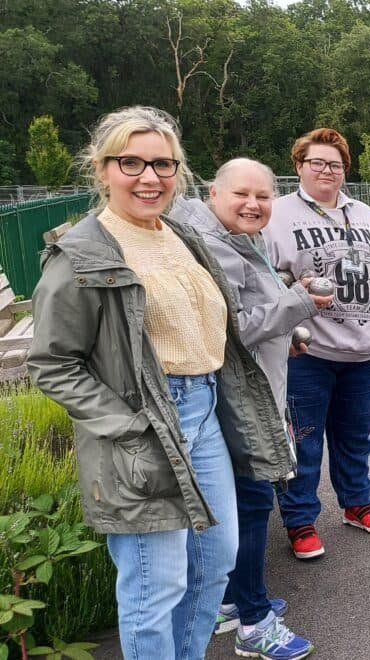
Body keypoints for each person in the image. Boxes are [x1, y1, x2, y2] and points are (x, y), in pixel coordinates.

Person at [26, 106, 295, 660]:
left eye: (163, 164)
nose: (150, 178)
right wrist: (130, 425)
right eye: (132, 162)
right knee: (157, 588)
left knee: (215, 563)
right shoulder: (81, 252)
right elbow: (53, 363)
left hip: (205, 412)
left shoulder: (178, 234)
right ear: (102, 169)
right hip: (143, 426)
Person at [172, 158, 329, 658]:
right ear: (213, 193)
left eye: (263, 196)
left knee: (244, 505)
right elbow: (234, 327)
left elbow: (260, 311)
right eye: (242, 194)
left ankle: (235, 601)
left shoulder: (239, 237)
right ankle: (255, 623)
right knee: (254, 504)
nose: (254, 204)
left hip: (256, 389)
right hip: (240, 402)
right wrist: (300, 303)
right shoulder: (211, 248)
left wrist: (291, 335)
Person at [263, 128, 370, 558]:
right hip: (309, 352)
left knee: (356, 435)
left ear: (345, 171)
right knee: (303, 439)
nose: (327, 170)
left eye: (335, 164)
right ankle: (300, 519)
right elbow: (262, 279)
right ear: (299, 166)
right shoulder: (278, 215)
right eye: (317, 163)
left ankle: (356, 503)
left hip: (364, 351)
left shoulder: (364, 214)